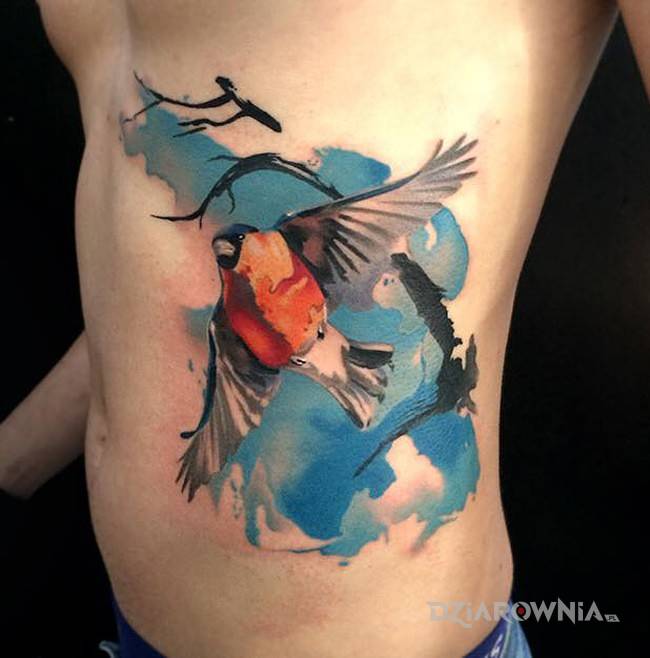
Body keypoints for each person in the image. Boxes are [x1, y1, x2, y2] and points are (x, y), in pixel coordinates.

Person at [1, 1, 647, 657]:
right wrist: (12, 460)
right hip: (129, 627)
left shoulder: (296, 242)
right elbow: (139, 301)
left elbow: (374, 215)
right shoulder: (231, 316)